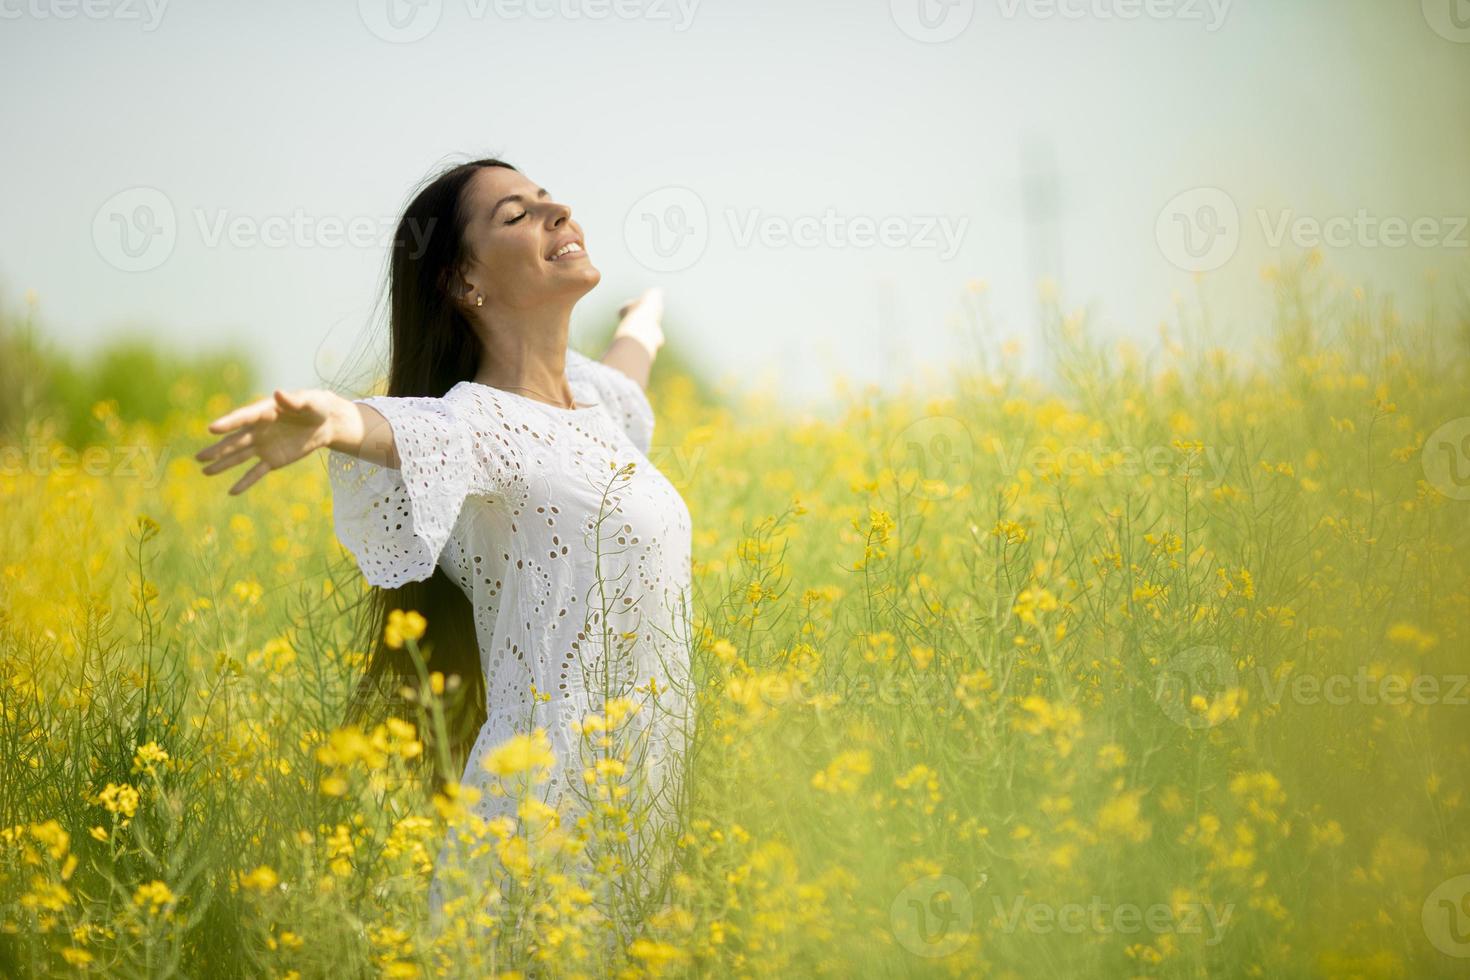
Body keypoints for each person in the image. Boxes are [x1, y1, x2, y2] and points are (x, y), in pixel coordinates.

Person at [193, 158, 694, 929]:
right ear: (465, 283)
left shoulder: (593, 403)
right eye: (517, 215)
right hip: (547, 819)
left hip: (642, 796)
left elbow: (629, 381)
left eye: (548, 198)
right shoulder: (478, 421)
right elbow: (397, 428)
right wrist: (332, 420)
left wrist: (642, 324)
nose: (556, 209)